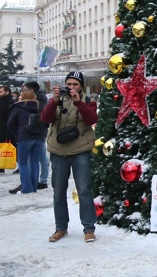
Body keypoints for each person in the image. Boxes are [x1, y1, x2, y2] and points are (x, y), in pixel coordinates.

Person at [40, 71, 98, 243]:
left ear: (81, 86)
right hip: (58, 151)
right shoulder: (58, 100)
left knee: (84, 190)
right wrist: (54, 102)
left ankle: (89, 228)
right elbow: (45, 119)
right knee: (58, 192)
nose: (72, 88)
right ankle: (60, 228)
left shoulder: (88, 101)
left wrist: (79, 103)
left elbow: (91, 119)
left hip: (80, 149)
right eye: (69, 84)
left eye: (75, 85)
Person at [9, 82, 50, 193]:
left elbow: (10, 123)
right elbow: (46, 122)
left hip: (24, 137)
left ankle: (27, 188)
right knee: (35, 162)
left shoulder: (18, 107)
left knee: (23, 163)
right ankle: (34, 186)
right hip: (38, 137)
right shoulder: (40, 106)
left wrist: (17, 133)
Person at [0, 85, 15, 174]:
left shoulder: (10, 102)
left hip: (6, 129)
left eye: (1, 91)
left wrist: (9, 130)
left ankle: (20, 164)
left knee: (12, 147)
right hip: (1, 128)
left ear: (7, 92)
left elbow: (10, 117)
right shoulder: (1, 101)